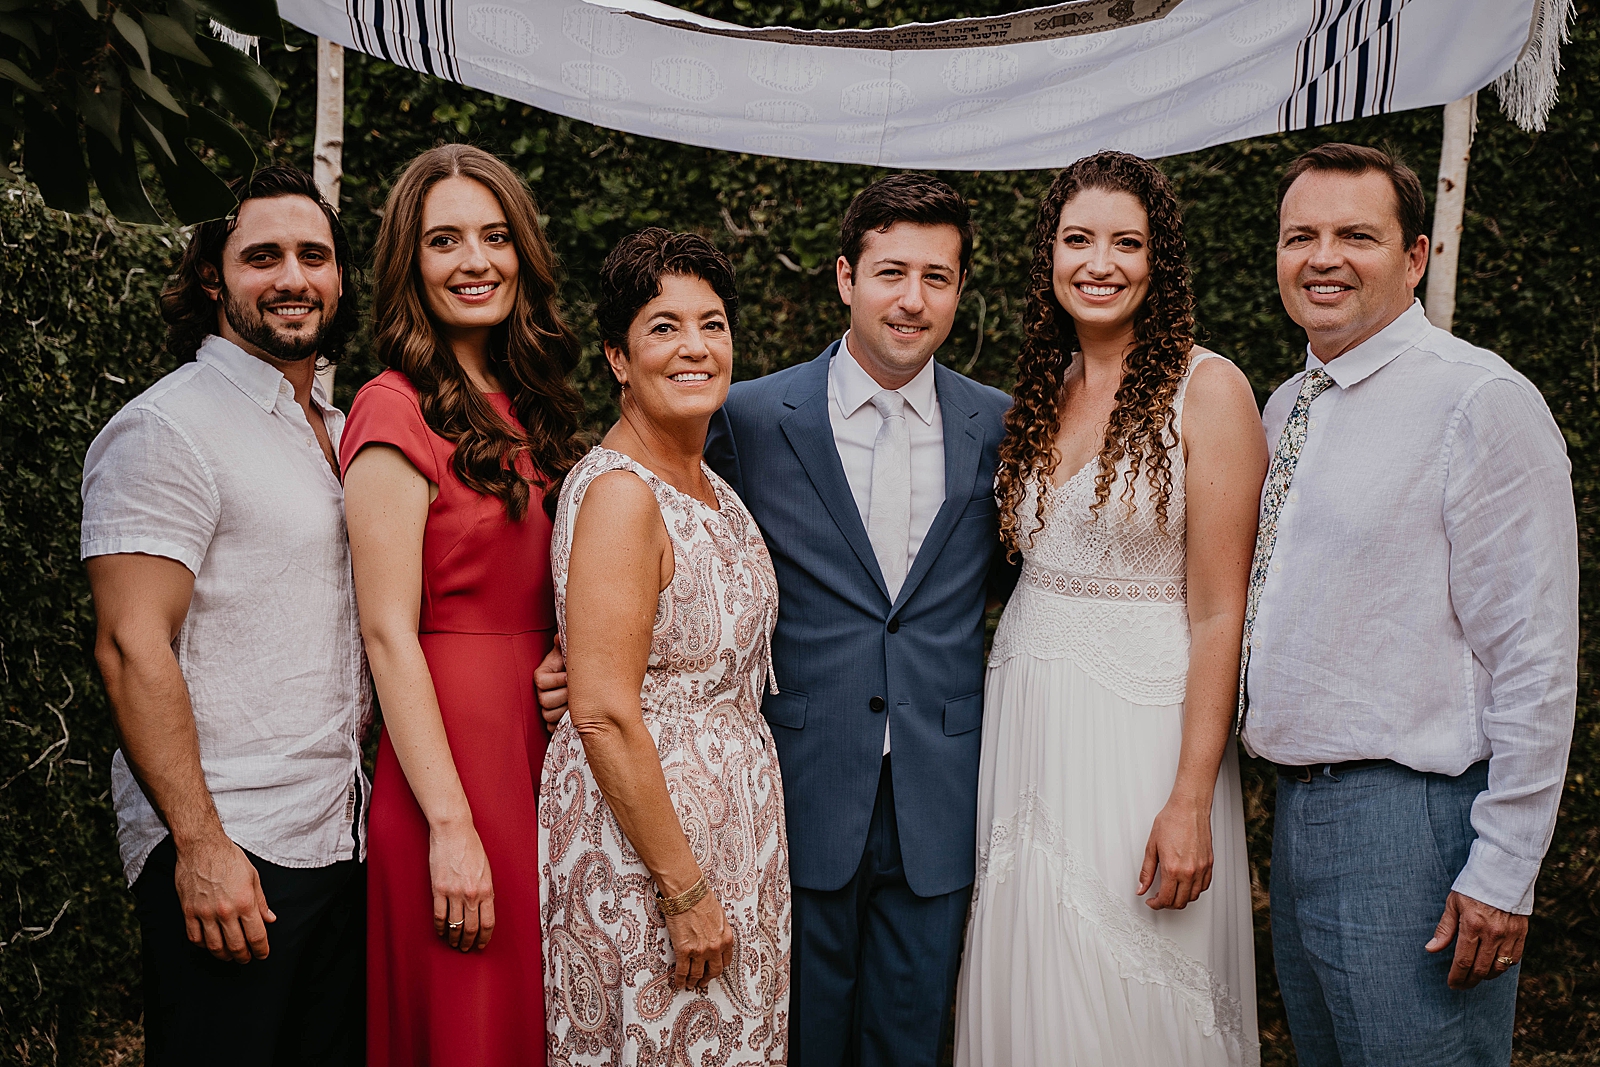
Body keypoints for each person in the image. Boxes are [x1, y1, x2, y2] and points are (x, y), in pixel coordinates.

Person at [1241, 143, 1578, 1066]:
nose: (1323, 258)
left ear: (1416, 255)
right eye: (1300, 236)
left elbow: (1536, 655)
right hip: (1299, 817)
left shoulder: (1478, 401)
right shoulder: (1285, 405)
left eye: (1357, 235)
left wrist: (1504, 868)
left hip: (1417, 824)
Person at [954, 151, 1266, 1066]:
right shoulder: (1043, 391)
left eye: (1126, 243)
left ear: (1157, 262)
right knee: (1034, 962)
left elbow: (1220, 613)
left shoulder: (1208, 390)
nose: (1100, 262)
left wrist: (1191, 795)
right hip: (1028, 721)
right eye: (1078, 239)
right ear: (1049, 255)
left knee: (1134, 976)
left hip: (1142, 732)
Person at [81, 166, 367, 1066]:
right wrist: (200, 846)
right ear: (214, 275)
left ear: (340, 275)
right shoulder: (167, 429)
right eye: (263, 256)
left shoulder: (340, 427)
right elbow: (130, 646)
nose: (293, 277)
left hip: (341, 836)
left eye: (313, 255)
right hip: (234, 848)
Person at [341, 144, 585, 1066]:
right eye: (444, 240)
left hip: (544, 752)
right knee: (469, 1026)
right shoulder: (391, 408)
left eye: (494, 236)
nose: (474, 260)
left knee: (542, 1017)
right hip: (450, 762)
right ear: (409, 262)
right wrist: (449, 824)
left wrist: (566, 655)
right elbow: (385, 632)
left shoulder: (534, 404)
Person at [540, 228, 789, 1064]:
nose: (695, 346)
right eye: (664, 326)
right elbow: (604, 711)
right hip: (648, 861)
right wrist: (682, 889)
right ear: (618, 357)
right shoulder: (621, 493)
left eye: (712, 324)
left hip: (731, 850)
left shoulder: (713, 487)